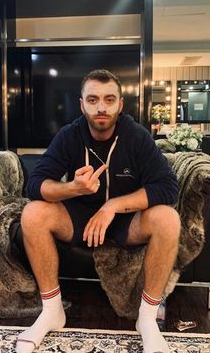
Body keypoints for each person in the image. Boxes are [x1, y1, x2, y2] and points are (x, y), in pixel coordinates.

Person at [15, 69, 180, 353]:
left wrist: (112, 205)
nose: (101, 107)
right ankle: (52, 310)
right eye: (92, 100)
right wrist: (73, 189)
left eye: (108, 99)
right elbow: (35, 184)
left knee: (168, 218)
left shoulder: (137, 137)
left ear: (120, 104)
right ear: (82, 104)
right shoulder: (69, 135)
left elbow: (167, 188)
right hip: (78, 218)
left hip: (126, 222)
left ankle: (147, 319)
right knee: (33, 213)